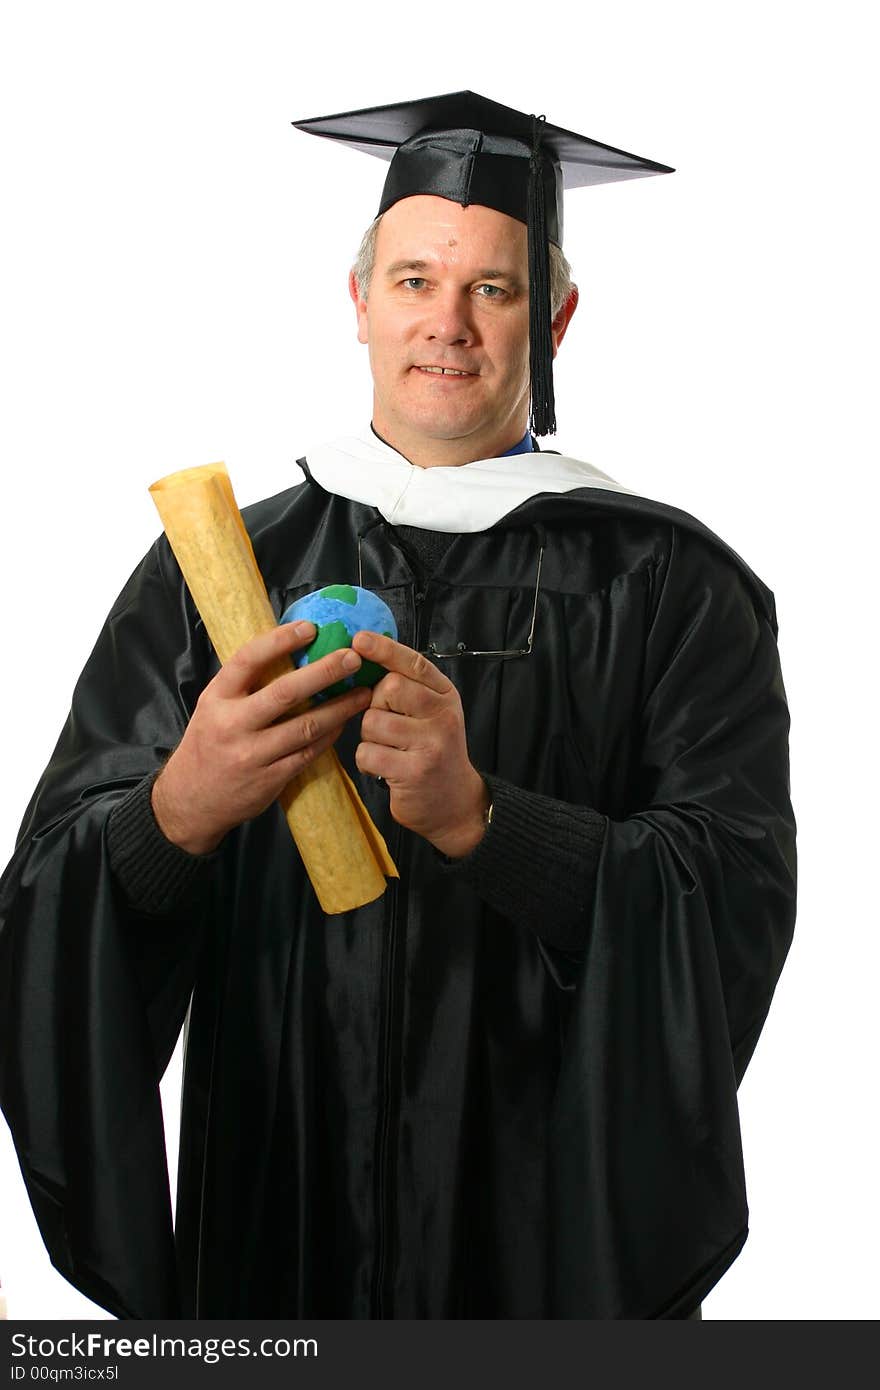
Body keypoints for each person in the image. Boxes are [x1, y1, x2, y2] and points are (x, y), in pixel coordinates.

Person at [0, 91, 795, 1320]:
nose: (449, 324)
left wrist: (487, 823)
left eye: (495, 287)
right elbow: (47, 899)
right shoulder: (220, 574)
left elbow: (733, 899)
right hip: (275, 1200)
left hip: (540, 1230)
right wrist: (175, 812)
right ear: (360, 301)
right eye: (417, 278)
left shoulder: (671, 587)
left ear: (559, 316)